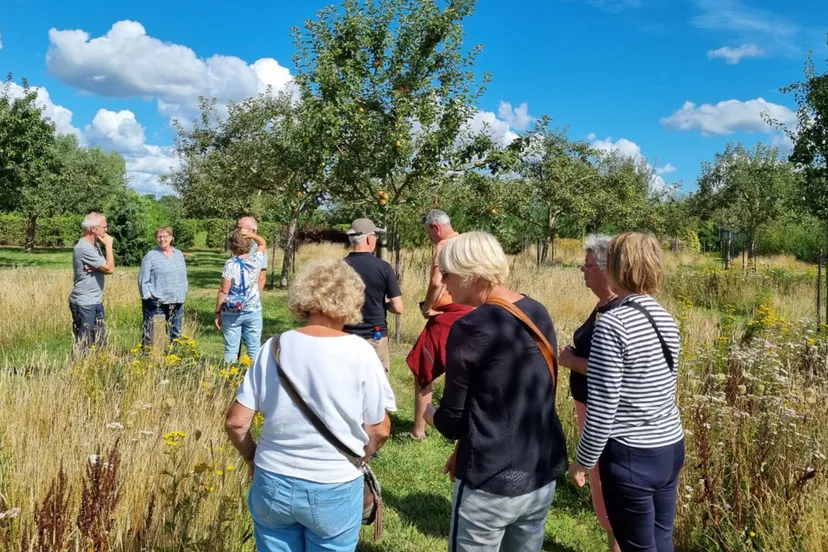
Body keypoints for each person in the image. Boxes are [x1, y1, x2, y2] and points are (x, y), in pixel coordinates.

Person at [224, 258, 396, 552]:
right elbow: (379, 429)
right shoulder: (360, 353)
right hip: (334, 482)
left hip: (272, 479)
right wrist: (361, 457)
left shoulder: (274, 347)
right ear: (352, 299)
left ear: (304, 297)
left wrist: (252, 457)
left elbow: (236, 422)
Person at [423, 231, 568, 552]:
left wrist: (427, 412)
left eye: (447, 273)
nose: (443, 282)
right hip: (540, 472)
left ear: (471, 274)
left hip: (489, 481)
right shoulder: (536, 309)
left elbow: (452, 422)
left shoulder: (470, 327)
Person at [568, 232, 684, 552]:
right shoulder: (665, 317)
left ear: (616, 268)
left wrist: (582, 461)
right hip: (670, 446)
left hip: (633, 455)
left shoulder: (614, 323)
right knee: (662, 539)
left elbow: (604, 406)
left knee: (636, 546)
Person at [558, 235, 621, 552]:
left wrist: (571, 361)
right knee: (601, 482)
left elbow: (610, 370)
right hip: (589, 405)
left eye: (587, 265)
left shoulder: (615, 311)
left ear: (607, 270)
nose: (583, 271)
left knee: (607, 483)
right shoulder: (603, 306)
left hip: (600, 410)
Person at [406, 209, 471, 440]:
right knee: (464, 370)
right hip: (471, 310)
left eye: (429, 233)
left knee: (423, 367)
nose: (430, 238)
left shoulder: (444, 246)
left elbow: (436, 282)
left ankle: (418, 431)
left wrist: (427, 307)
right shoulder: (467, 243)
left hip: (447, 313)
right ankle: (461, 427)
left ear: (436, 227)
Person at [342, 218, 404, 374]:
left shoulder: (339, 267)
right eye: (375, 236)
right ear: (369, 239)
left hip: (345, 335)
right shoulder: (383, 268)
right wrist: (385, 304)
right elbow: (398, 308)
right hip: (374, 336)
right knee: (378, 387)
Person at [215, 229, 266, 363]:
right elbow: (262, 243)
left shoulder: (230, 264)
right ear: (249, 245)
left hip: (232, 312)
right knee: (254, 349)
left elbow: (224, 291)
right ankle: (255, 379)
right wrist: (252, 235)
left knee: (231, 349)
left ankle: (230, 378)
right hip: (253, 310)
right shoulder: (256, 260)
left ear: (231, 245)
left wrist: (218, 313)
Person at [69, 212, 115, 356]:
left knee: (100, 342)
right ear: (93, 229)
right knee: (84, 344)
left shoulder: (94, 245)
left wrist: (98, 266)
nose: (106, 230)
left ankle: (96, 373)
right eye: (104, 227)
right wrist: (108, 245)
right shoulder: (84, 248)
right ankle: (78, 373)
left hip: (95, 301)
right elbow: (109, 268)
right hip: (84, 303)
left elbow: (104, 267)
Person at [138, 227, 188, 348]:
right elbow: (142, 279)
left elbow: (184, 276)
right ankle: (150, 358)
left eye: (165, 236)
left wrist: (184, 291)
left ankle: (174, 358)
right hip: (157, 302)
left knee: (176, 333)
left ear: (171, 237)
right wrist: (148, 296)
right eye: (159, 236)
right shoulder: (151, 256)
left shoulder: (178, 254)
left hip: (177, 301)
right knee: (153, 334)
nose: (162, 239)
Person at [238, 216, 269, 292]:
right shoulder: (238, 246)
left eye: (240, 229)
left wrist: (254, 298)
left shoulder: (259, 250)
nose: (237, 232)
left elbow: (261, 278)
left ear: (253, 231)